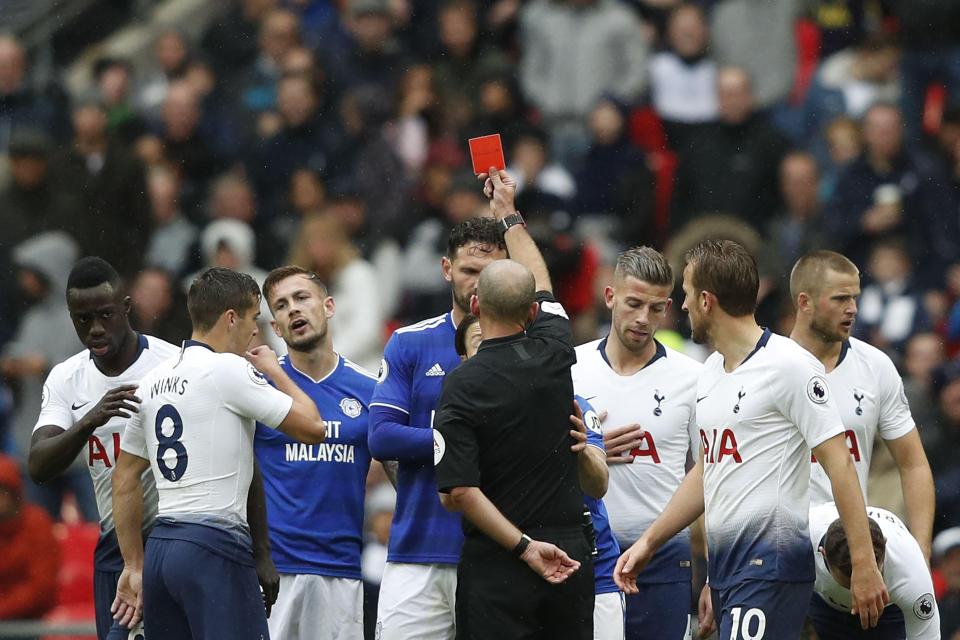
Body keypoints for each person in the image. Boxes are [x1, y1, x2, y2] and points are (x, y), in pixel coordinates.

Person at [615, 239, 888, 639]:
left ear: (707, 300)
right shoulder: (709, 372)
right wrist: (651, 544)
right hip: (728, 573)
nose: (684, 305)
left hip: (771, 567)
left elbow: (840, 462)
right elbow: (711, 472)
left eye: (688, 295)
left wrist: (864, 562)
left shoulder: (790, 366)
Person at [110, 267, 326, 639]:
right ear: (230, 318)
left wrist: (133, 563)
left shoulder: (152, 381)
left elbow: (125, 476)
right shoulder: (228, 370)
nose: (255, 330)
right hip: (214, 546)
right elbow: (313, 428)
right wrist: (276, 371)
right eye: (252, 318)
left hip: (162, 548)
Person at [435, 167, 594, 639]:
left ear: (477, 306)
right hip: (570, 547)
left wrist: (524, 547)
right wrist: (508, 215)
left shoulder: (462, 384)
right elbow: (541, 281)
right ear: (532, 312)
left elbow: (459, 491)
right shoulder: (555, 350)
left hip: (499, 556)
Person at [368, 216, 507, 640]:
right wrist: (456, 442)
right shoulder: (410, 342)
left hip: (496, 554)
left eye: (490, 274)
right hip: (417, 551)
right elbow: (382, 436)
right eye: (468, 272)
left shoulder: (529, 352)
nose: (478, 285)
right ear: (447, 270)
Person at [27, 256, 180, 640]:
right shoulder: (68, 377)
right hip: (115, 545)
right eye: (82, 319)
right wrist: (89, 421)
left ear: (126, 308)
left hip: (173, 538)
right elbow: (39, 465)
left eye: (105, 315)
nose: (95, 329)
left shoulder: (171, 363)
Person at [457, 313, 621, 640]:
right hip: (509, 570)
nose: (495, 351)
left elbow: (598, 484)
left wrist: (581, 448)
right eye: (481, 344)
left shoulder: (572, 403)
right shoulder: (464, 416)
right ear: (464, 360)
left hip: (589, 568)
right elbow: (454, 493)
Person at [571, 246, 702, 639]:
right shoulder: (571, 369)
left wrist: (715, 574)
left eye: (656, 308)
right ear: (610, 297)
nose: (644, 319)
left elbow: (710, 475)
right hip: (585, 556)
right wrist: (589, 453)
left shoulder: (693, 378)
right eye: (633, 304)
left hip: (663, 560)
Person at [255, 265, 378, 639]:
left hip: (340, 569)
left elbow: (400, 478)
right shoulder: (255, 386)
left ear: (328, 306)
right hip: (272, 572)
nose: (293, 309)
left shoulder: (370, 388)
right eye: (281, 305)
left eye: (301, 298)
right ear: (275, 327)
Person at [789, 251, 935, 561]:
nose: (852, 309)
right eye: (840, 299)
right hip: (781, 548)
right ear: (805, 303)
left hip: (849, 551)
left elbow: (914, 464)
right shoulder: (768, 368)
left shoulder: (876, 366)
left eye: (855, 298)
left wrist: (920, 548)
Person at [807, 503, 940, 639]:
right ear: (823, 554)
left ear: (885, 544)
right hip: (823, 608)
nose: (860, 594)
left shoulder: (911, 571)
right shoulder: (801, 543)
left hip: (890, 614)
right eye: (848, 584)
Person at [0, 454, 59, 623]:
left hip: (33, 621)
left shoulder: (36, 522)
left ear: (13, 493)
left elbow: (42, 585)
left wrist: (3, 608)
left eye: (2, 491)